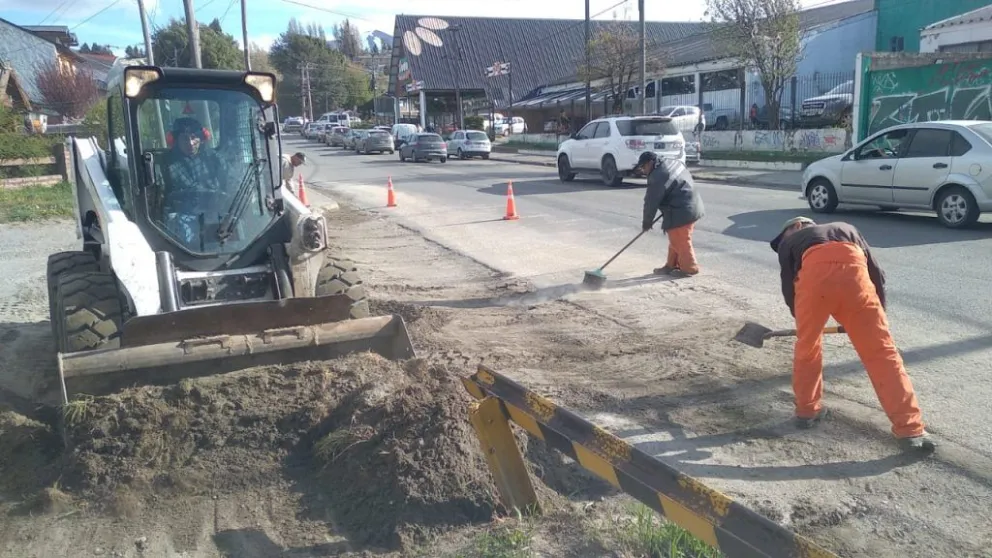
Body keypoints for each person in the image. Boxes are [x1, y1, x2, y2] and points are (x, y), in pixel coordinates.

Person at [770, 216, 936, 453]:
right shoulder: (846, 228)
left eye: (782, 235)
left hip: (814, 283)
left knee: (808, 349)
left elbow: (789, 286)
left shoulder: (792, 241)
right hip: (856, 279)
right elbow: (876, 273)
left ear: (797, 226)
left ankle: (807, 412)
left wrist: (805, 322)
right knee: (882, 353)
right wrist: (875, 317)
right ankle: (911, 430)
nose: (782, 241)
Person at [162, 118, 232, 241]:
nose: (190, 143)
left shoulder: (215, 159)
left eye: (194, 137)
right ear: (175, 140)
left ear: (202, 138)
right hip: (184, 215)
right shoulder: (168, 164)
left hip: (215, 212)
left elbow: (230, 181)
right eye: (184, 138)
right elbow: (165, 197)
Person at [638, 152, 704, 278]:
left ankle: (690, 268)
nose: (643, 171)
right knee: (675, 238)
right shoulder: (670, 162)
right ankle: (671, 264)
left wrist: (647, 222)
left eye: (643, 167)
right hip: (691, 203)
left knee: (681, 239)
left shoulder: (658, 176)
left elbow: (651, 201)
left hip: (683, 208)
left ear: (650, 163)